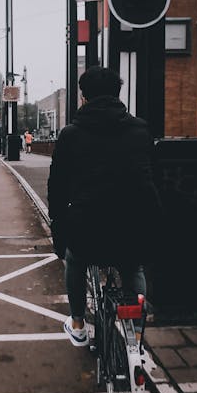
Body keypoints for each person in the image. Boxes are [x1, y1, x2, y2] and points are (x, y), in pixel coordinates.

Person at [47, 66, 161, 347]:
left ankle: (77, 324)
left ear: (84, 98)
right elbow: (154, 178)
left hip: (88, 228)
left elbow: (57, 189)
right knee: (132, 268)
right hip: (133, 225)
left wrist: (59, 234)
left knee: (74, 261)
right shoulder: (140, 129)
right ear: (117, 94)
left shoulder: (71, 134)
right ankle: (135, 335)